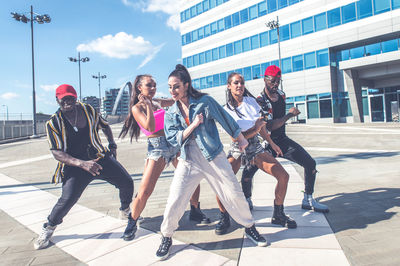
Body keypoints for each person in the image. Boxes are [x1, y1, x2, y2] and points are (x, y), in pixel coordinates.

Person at [156, 64, 267, 260]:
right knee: (175, 198)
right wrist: (193, 125)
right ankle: (166, 236)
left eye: (176, 86)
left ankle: (249, 227)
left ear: (186, 85)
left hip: (214, 156)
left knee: (233, 192)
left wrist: (240, 139)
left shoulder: (204, 102)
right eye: (170, 87)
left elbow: (225, 118)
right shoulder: (171, 113)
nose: (172, 91)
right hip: (188, 160)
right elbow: (174, 139)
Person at [34, 84, 134, 250]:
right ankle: (49, 227)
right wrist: (81, 164)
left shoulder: (88, 109)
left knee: (126, 182)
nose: (68, 102)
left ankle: (125, 210)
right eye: (63, 99)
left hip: (99, 158)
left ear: (76, 97)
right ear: (57, 100)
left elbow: (105, 125)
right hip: (75, 165)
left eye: (71, 98)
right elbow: (56, 152)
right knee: (67, 199)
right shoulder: (53, 123)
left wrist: (112, 144)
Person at [119, 75, 209, 241]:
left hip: (174, 144)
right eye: (149, 85)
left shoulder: (157, 102)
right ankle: (132, 222)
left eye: (154, 85)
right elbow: (150, 127)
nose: (153, 88)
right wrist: (147, 106)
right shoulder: (137, 108)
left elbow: (176, 99)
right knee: (145, 190)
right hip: (157, 148)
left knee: (192, 177)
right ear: (139, 88)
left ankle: (195, 210)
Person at [214, 73, 297, 235]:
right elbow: (236, 136)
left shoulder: (252, 102)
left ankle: (278, 215)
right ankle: (224, 217)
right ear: (229, 86)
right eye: (236, 83)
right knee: (221, 181)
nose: (239, 85)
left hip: (255, 147)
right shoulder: (226, 111)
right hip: (238, 147)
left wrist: (272, 143)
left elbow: (263, 128)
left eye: (242, 82)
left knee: (283, 176)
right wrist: (256, 129)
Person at [243, 65, 329, 213]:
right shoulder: (260, 100)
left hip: (282, 140)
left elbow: (278, 124)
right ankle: (246, 199)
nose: (275, 84)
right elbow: (269, 126)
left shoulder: (282, 95)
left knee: (310, 164)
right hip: (267, 143)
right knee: (248, 172)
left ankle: (308, 198)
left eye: (278, 81)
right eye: (272, 81)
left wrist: (287, 116)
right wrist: (290, 115)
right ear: (265, 80)